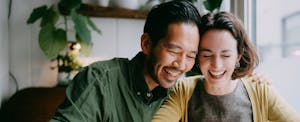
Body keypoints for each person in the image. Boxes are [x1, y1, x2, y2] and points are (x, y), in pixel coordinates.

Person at [50, 1, 202, 122]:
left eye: (190, 56)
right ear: (147, 44)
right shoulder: (99, 81)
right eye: (174, 51)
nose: (181, 65)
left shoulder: (179, 96)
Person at [152, 11, 300, 122]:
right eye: (207, 55)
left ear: (238, 56)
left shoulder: (260, 89)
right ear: (198, 57)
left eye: (226, 55)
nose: (216, 65)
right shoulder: (183, 90)